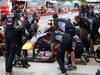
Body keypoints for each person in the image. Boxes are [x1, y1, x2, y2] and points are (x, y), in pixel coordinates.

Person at [1, 9, 18, 75]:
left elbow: (1, 20)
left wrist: (3, 27)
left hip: (6, 34)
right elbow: (22, 20)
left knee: (7, 53)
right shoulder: (16, 14)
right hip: (12, 34)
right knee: (12, 53)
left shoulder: (6, 14)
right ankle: (8, 70)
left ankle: (7, 69)